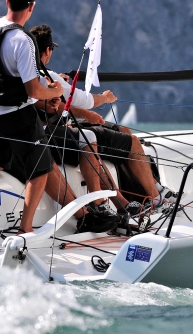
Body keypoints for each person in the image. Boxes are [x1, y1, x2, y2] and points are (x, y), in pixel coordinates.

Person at [0, 0, 118, 235]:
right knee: (41, 168)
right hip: (15, 116)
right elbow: (32, 89)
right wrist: (54, 91)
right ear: (31, 7)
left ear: (7, 2)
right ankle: (26, 229)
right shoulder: (23, 41)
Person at [28, 24, 145, 221]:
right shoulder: (47, 75)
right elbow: (84, 100)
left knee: (91, 140)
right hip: (43, 135)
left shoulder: (26, 73)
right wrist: (105, 98)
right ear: (47, 51)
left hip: (36, 130)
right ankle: (99, 203)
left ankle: (118, 202)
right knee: (89, 137)